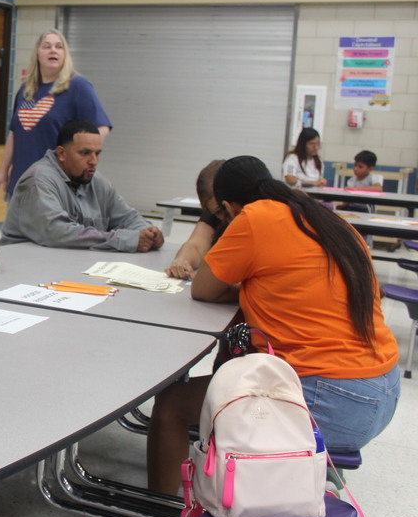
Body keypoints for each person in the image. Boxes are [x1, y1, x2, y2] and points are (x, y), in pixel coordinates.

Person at [146, 156, 400, 495]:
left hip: (333, 397)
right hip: (384, 390)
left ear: (227, 206)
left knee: (172, 405)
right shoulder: (324, 217)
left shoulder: (253, 218)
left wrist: (245, 285)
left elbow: (203, 289)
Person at [0, 120, 163, 252]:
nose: (94, 161)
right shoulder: (38, 180)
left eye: (97, 153)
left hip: (67, 265)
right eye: (85, 153)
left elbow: (127, 217)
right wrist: (125, 240)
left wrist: (149, 233)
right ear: (62, 154)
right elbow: (57, 232)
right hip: (26, 269)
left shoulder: (96, 180)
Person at [0, 29, 111, 198]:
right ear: (37, 54)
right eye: (47, 46)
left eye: (59, 46)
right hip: (21, 182)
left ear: (65, 54)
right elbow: (14, 133)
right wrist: (3, 170)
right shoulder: (26, 90)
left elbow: (102, 127)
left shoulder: (78, 86)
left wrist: (78, 158)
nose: (53, 50)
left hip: (56, 185)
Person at [164, 160, 226, 279]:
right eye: (218, 212)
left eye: (225, 208)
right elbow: (196, 245)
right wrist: (182, 261)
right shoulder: (214, 211)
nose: (225, 215)